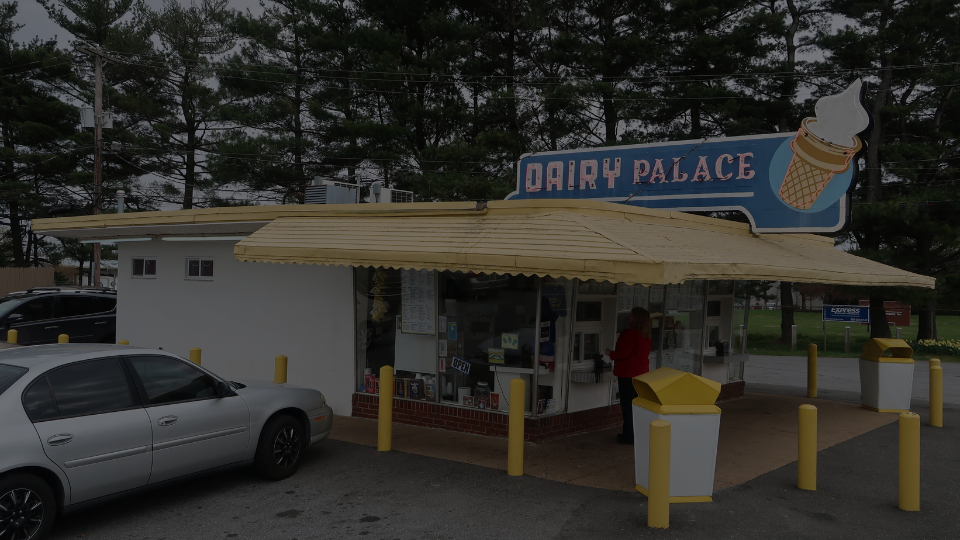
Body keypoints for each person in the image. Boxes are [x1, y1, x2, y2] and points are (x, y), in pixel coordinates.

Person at [605, 306, 653, 445]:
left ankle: (629, 435)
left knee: (627, 405)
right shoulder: (646, 335)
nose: (629, 317)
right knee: (635, 405)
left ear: (636, 318)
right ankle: (631, 433)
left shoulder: (630, 334)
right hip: (641, 374)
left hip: (628, 374)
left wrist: (609, 353)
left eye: (631, 315)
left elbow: (623, 353)